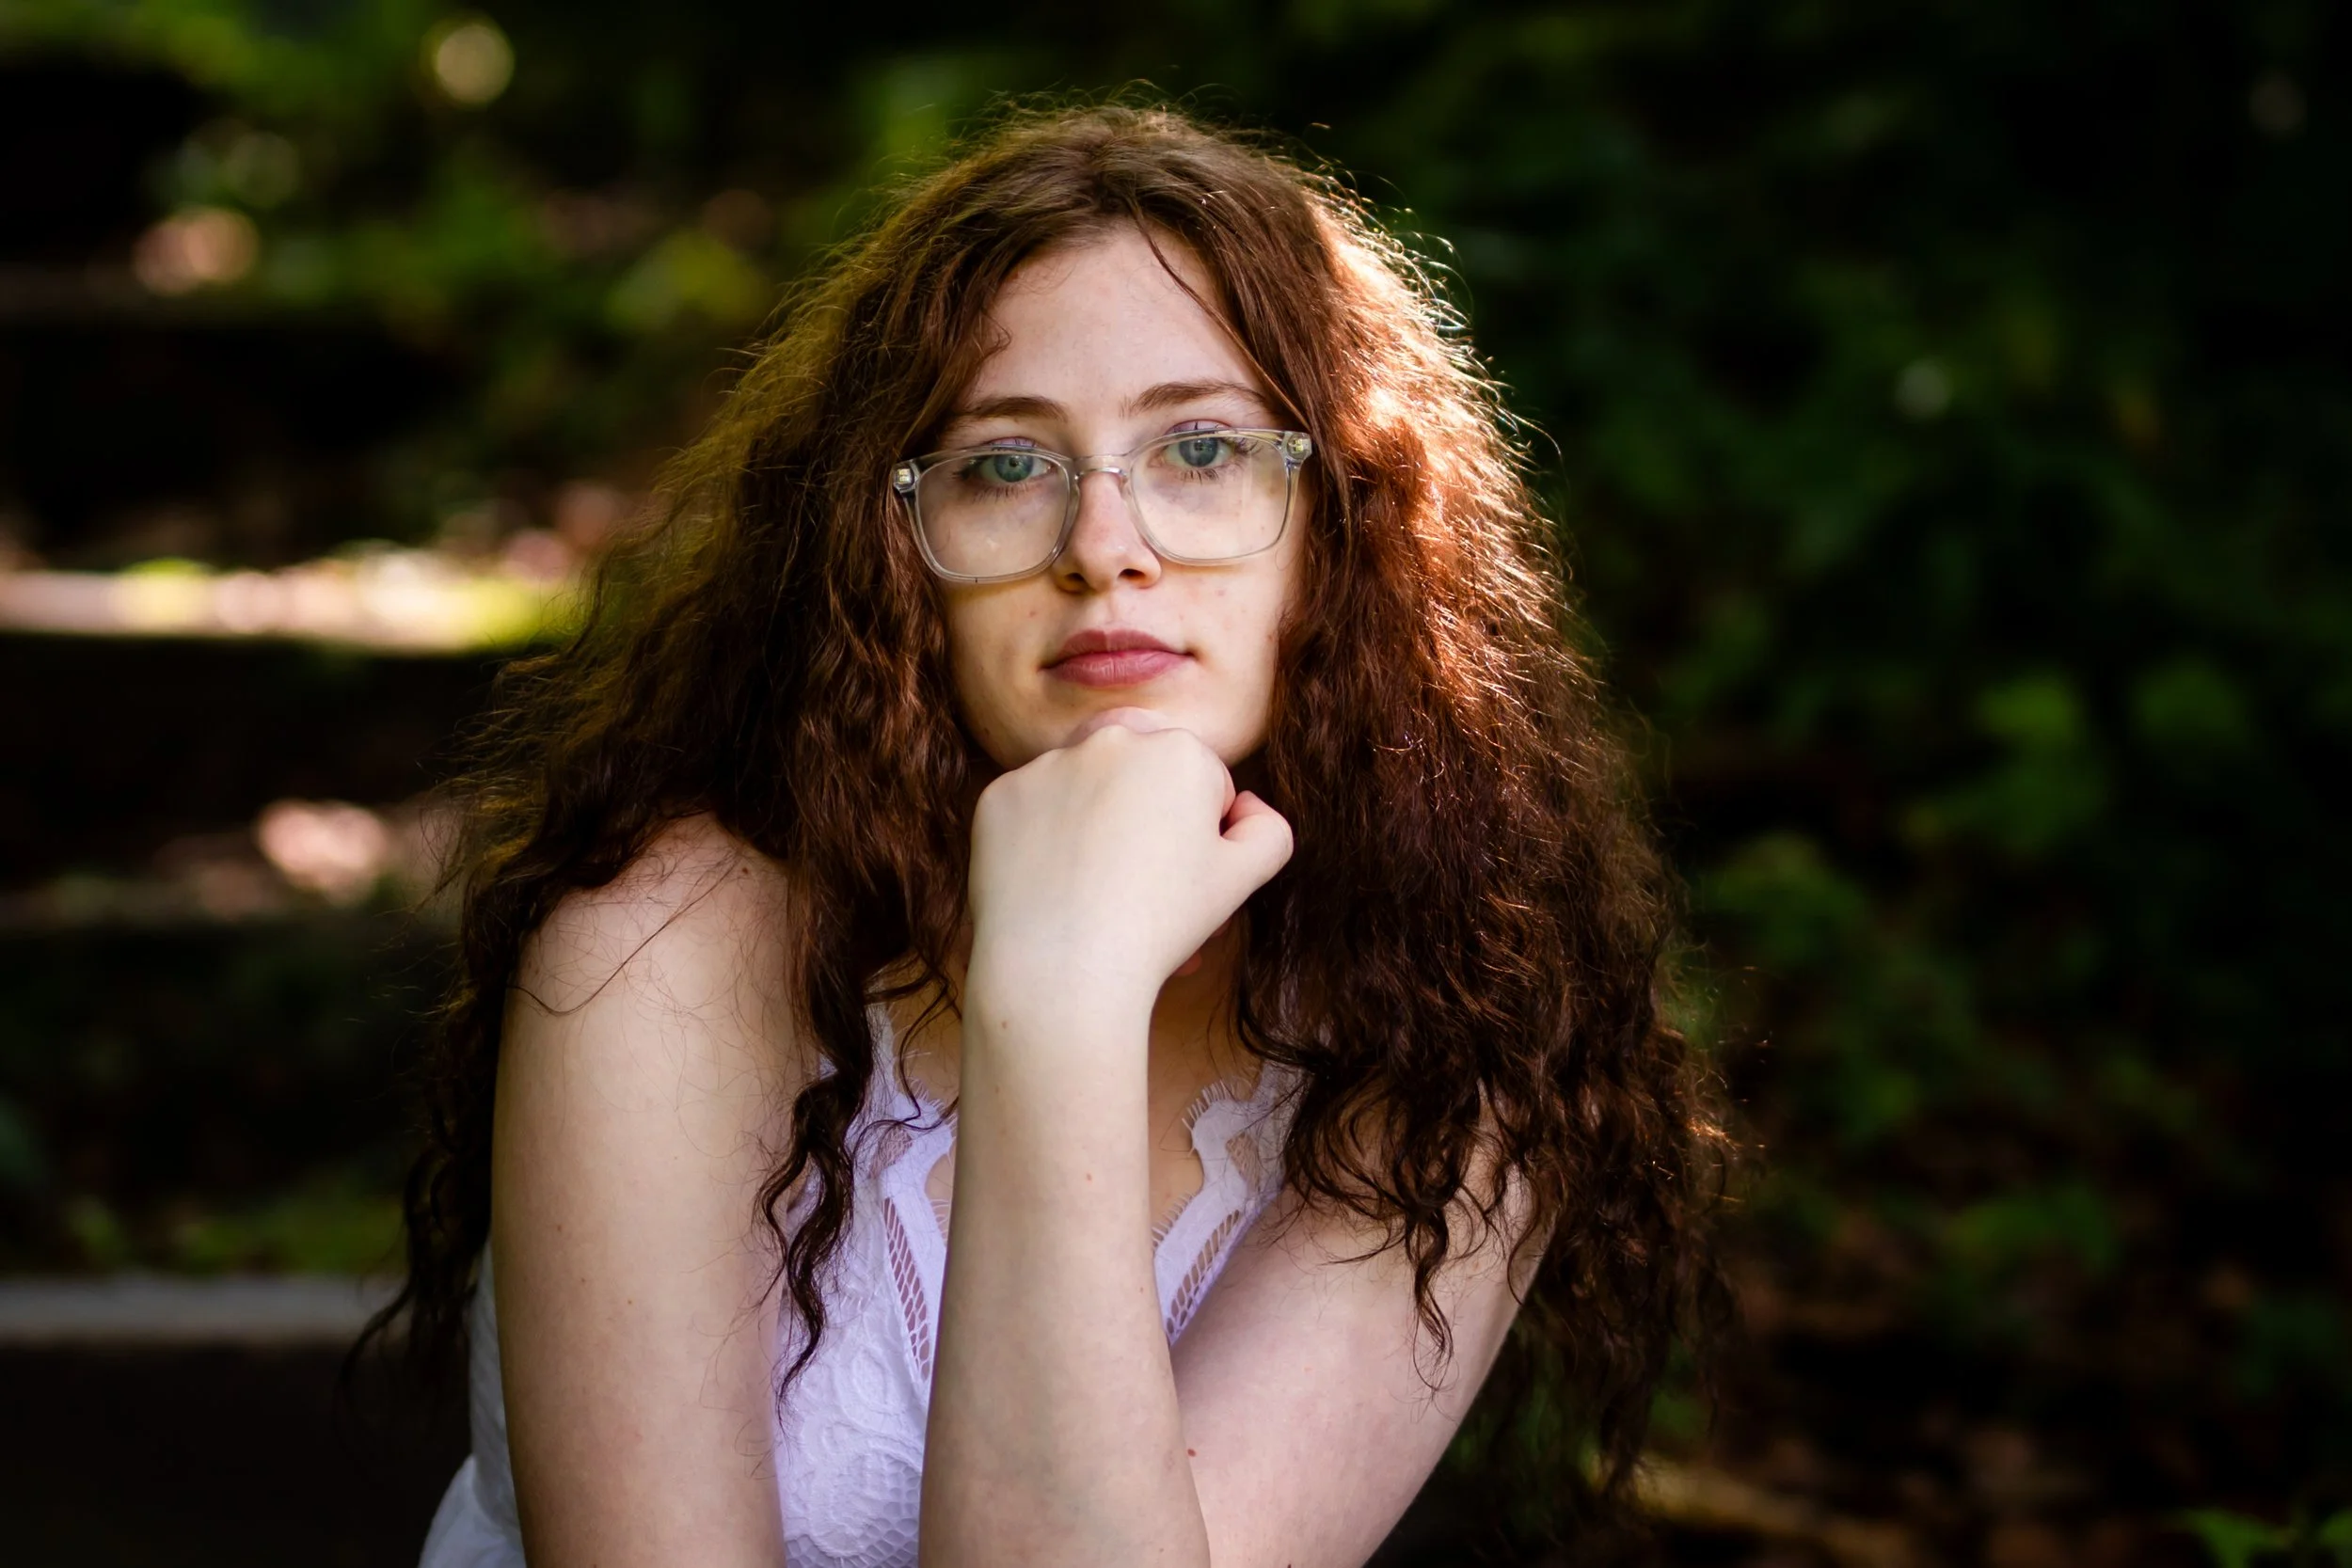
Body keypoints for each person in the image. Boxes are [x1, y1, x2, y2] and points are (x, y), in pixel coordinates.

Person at [387, 103, 1723, 1568]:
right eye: (1007, 466)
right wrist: (1062, 984)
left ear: (1335, 526)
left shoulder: (1459, 1048)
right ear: (891, 549)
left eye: (1201, 450)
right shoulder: (665, 950)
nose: (1105, 542)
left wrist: (1058, 998)